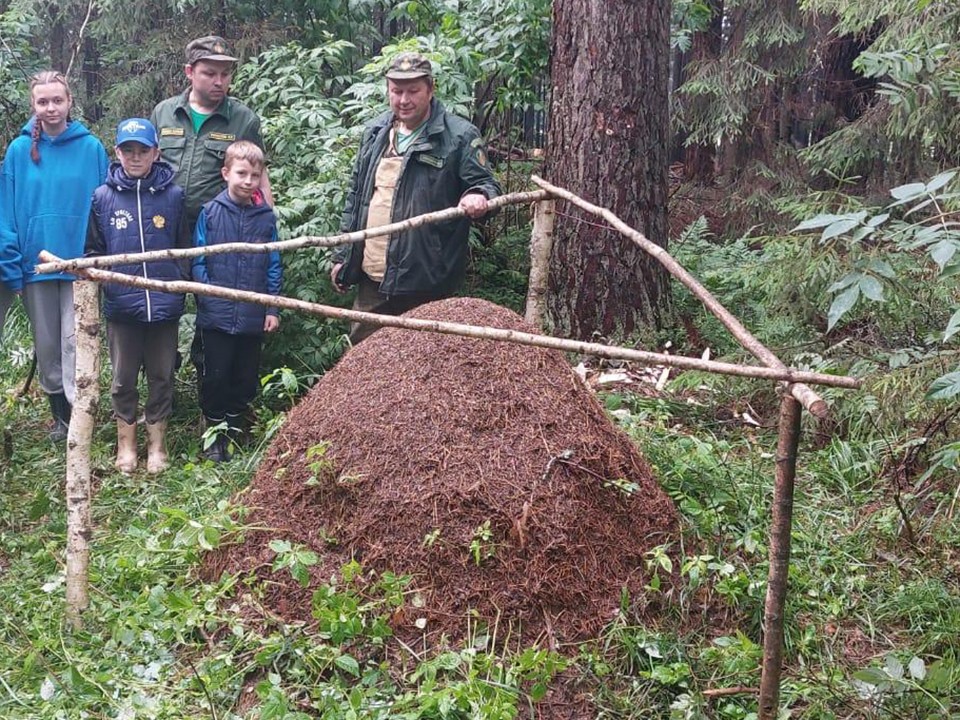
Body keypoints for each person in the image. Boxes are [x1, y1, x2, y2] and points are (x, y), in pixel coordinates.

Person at [330, 52, 501, 344]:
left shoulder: (458, 135)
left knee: (424, 369)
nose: (404, 100)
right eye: (396, 91)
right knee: (364, 362)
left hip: (427, 279)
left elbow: (487, 185)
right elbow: (356, 196)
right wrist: (343, 256)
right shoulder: (375, 133)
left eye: (413, 91)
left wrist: (478, 195)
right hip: (374, 276)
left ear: (430, 89)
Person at [0, 70, 109, 441]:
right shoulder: (18, 151)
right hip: (36, 265)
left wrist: (100, 257)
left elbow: (104, 205)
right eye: (42, 101)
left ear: (69, 102)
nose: (50, 108)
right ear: (34, 105)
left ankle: (82, 416)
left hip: (80, 265)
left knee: (75, 341)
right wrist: (13, 260)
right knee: (47, 344)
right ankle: (59, 417)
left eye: (57, 100)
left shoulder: (91, 147)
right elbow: (7, 210)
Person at [85, 118, 189, 474]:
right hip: (122, 307)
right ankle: (126, 444)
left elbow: (184, 246)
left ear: (156, 153)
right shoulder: (103, 197)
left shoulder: (174, 196)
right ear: (117, 152)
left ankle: (157, 445)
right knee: (122, 379)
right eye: (128, 150)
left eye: (142, 150)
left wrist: (177, 283)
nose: (135, 157)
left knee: (162, 375)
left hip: (164, 304)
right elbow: (93, 251)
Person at [192, 141, 281, 462]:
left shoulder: (265, 218)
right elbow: (197, 259)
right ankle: (212, 437)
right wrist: (208, 296)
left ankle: (234, 431)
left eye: (255, 175)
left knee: (244, 377)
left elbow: (273, 263)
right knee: (215, 376)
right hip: (215, 316)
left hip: (251, 316)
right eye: (242, 173)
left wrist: (271, 307)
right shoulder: (210, 213)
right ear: (226, 173)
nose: (248, 181)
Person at [150, 34, 273, 234]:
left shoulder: (243, 119)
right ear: (189, 72)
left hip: (219, 227)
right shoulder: (164, 112)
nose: (219, 81)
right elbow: (148, 167)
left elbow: (261, 176)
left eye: (225, 74)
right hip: (164, 225)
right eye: (209, 74)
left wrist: (266, 227)